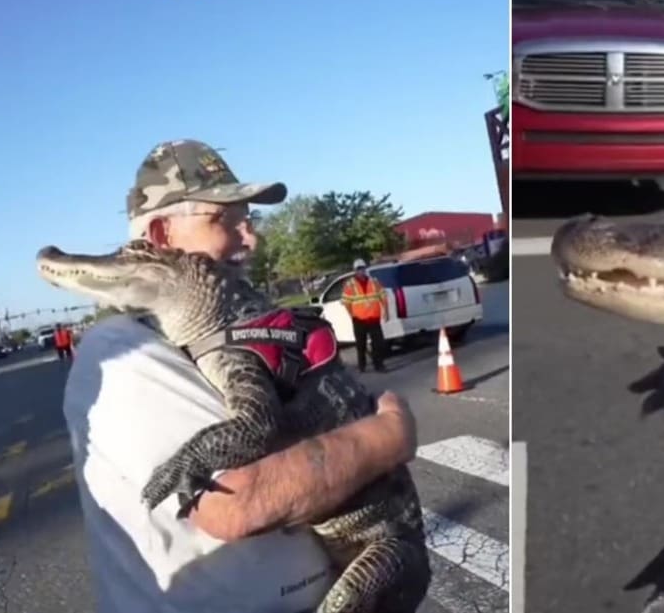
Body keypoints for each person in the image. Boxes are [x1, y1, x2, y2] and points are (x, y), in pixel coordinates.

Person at [61, 139, 418, 613]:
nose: (251, 239)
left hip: (372, 556)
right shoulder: (121, 349)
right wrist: (390, 435)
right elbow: (236, 505)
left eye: (249, 220)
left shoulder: (236, 324)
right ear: (162, 235)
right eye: (224, 220)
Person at [341, 258, 388, 373]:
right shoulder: (350, 285)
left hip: (374, 318)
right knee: (361, 344)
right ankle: (362, 366)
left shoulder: (374, 281)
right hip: (359, 319)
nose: (361, 271)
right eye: (358, 269)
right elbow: (346, 302)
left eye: (362, 268)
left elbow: (383, 297)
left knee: (378, 343)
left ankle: (379, 365)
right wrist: (352, 315)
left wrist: (386, 312)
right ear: (355, 271)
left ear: (365, 269)